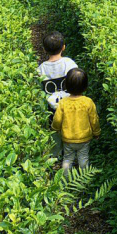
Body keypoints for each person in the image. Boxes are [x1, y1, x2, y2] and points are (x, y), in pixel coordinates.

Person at [38, 31, 78, 160]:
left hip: (51, 108)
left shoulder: (41, 69)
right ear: (63, 47)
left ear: (44, 50)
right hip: (70, 104)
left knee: (55, 132)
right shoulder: (69, 63)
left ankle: (55, 157)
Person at [52, 67, 100, 173]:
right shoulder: (88, 102)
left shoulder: (63, 102)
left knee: (67, 159)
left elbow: (57, 119)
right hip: (84, 139)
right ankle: (83, 180)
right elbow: (94, 120)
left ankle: (65, 181)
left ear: (66, 86)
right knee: (83, 159)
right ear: (85, 86)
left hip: (67, 138)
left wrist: (55, 128)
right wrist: (96, 132)